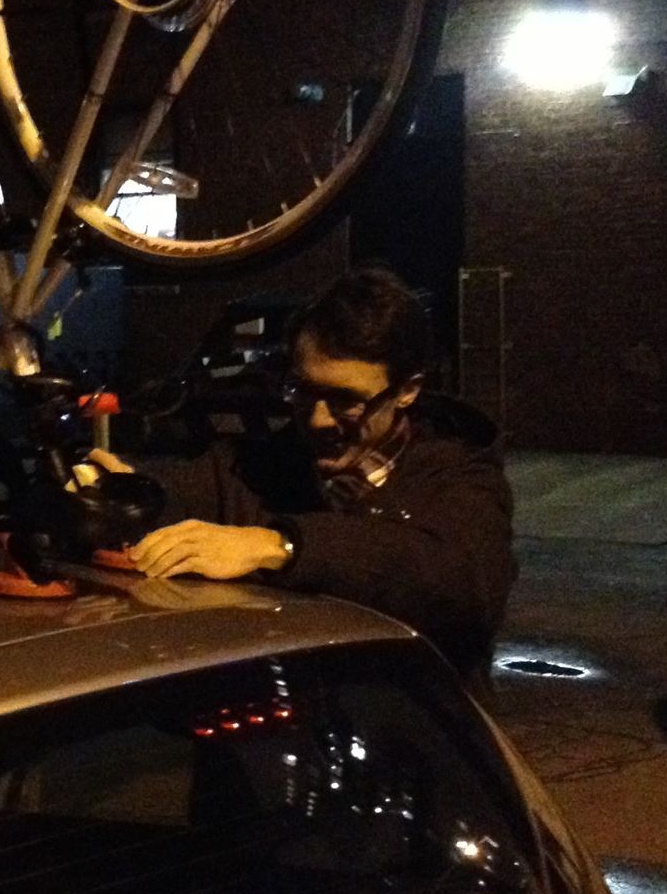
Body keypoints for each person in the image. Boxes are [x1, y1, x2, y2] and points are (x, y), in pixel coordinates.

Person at [103, 267, 515, 696]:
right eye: (303, 391)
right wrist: (121, 493)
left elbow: (462, 587)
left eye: (346, 401)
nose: (318, 419)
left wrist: (280, 546)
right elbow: (176, 495)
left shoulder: (460, 479)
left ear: (406, 391)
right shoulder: (260, 464)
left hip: (407, 741)